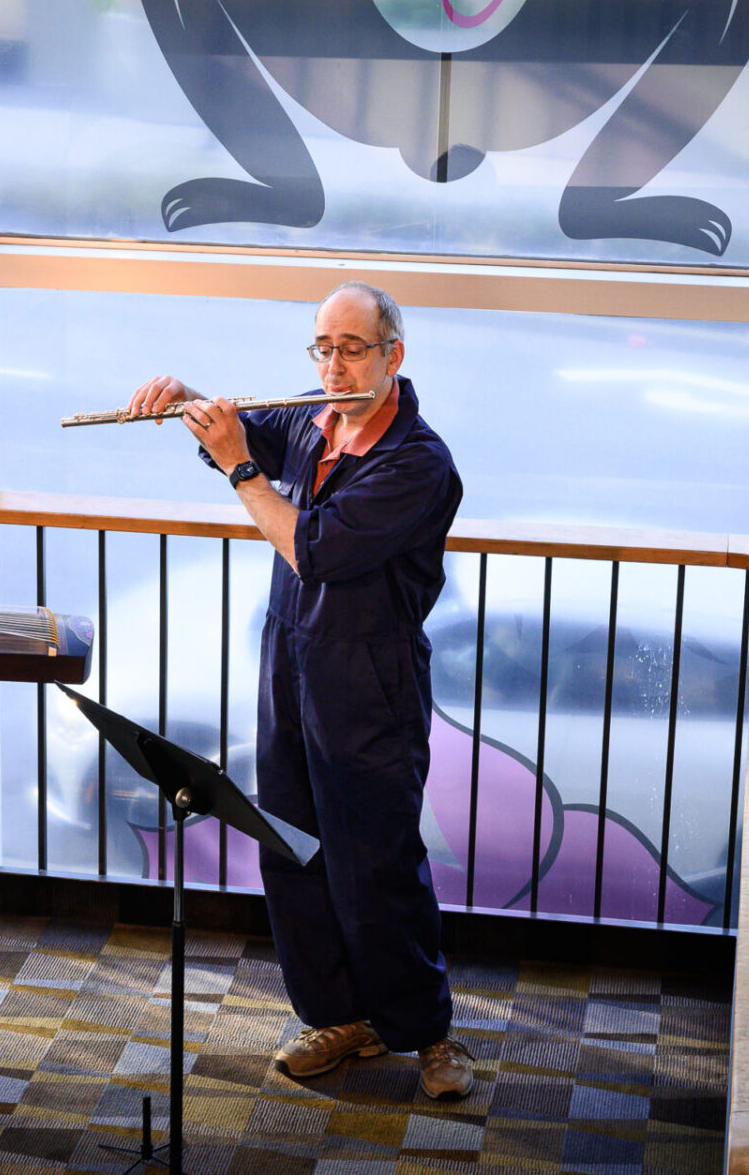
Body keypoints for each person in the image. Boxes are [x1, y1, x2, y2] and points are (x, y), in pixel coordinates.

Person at [124, 281, 472, 1100]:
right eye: (324, 348)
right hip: (290, 660)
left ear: (394, 355)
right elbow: (237, 435)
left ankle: (424, 1031)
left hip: (370, 676)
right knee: (291, 844)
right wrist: (188, 403)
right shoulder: (314, 419)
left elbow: (309, 546)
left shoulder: (416, 461)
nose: (336, 365)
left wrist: (242, 467)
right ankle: (338, 1016)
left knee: (377, 860)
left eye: (353, 348)